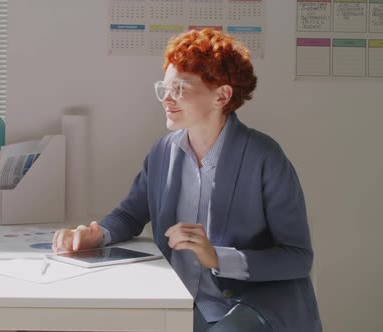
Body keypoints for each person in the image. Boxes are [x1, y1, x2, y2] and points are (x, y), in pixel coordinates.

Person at [52, 29, 321, 332]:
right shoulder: (163, 152)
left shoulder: (265, 158)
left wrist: (217, 257)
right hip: (184, 303)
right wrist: (97, 234)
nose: (167, 98)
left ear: (222, 95)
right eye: (164, 88)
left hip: (252, 307)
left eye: (179, 88)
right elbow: (130, 214)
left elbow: (298, 258)